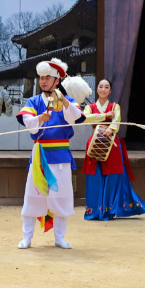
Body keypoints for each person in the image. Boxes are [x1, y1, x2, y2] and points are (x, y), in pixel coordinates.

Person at [15, 58, 85, 249]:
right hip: (40, 155)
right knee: (32, 196)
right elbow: (28, 123)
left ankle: (59, 238)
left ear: (56, 80)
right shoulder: (34, 101)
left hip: (61, 155)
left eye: (47, 77)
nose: (43, 81)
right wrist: (40, 118)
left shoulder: (68, 101)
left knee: (60, 197)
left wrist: (63, 101)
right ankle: (27, 237)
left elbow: (75, 118)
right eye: (41, 78)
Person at [82, 79, 145, 220]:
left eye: (106, 87)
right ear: (97, 89)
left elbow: (117, 121)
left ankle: (109, 210)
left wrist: (111, 129)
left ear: (110, 91)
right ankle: (95, 211)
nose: (103, 89)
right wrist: (105, 116)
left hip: (111, 143)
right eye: (101, 87)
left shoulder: (115, 106)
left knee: (113, 176)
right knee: (95, 176)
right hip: (95, 142)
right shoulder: (90, 106)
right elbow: (85, 118)